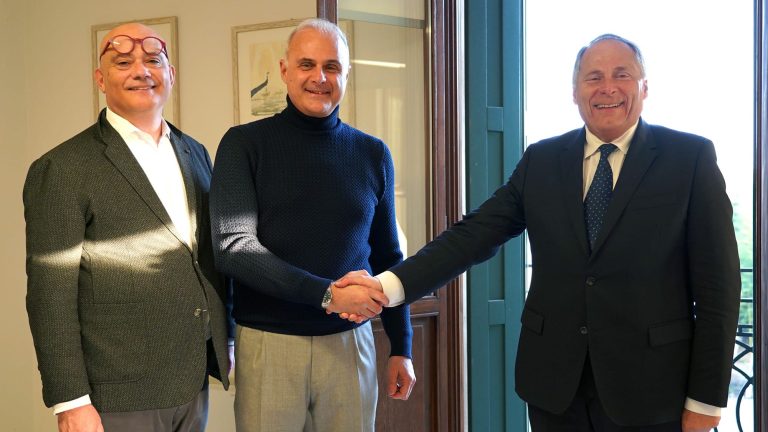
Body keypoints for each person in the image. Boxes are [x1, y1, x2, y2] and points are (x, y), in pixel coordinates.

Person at [337, 34, 741, 432]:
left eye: (622, 75)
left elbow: (718, 288)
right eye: (594, 77)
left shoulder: (689, 158)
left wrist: (706, 398)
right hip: (555, 390)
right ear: (575, 91)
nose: (608, 88)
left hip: (652, 391)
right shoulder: (542, 160)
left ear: (644, 87)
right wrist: (387, 286)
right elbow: (472, 236)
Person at [209, 18, 415, 432]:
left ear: (346, 75)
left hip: (351, 344)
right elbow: (234, 248)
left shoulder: (373, 154)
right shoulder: (243, 145)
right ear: (285, 70)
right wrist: (327, 295)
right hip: (269, 343)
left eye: (332, 67)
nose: (319, 78)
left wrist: (401, 346)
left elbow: (388, 256)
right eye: (307, 65)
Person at [24, 22, 232, 432]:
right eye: (122, 62)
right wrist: (71, 401)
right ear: (101, 79)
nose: (141, 71)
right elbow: (50, 295)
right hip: (116, 394)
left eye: (153, 60)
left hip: (191, 382)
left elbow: (207, 256)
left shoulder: (195, 152)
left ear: (171, 74)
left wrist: (225, 337)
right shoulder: (61, 168)